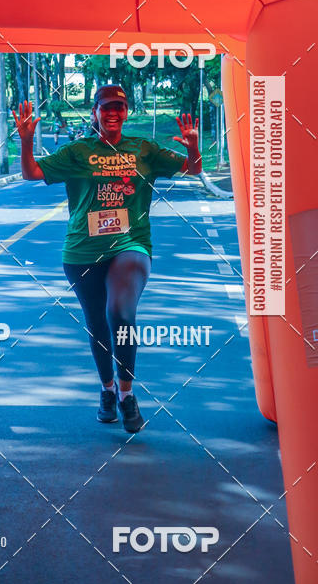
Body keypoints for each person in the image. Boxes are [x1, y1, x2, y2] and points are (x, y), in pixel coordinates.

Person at [12, 85, 202, 433]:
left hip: (131, 245)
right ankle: (107, 390)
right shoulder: (78, 151)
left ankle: (128, 394)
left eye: (120, 107)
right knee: (98, 325)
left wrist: (193, 147)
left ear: (126, 112)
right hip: (81, 251)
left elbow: (192, 169)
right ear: (95, 112)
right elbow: (31, 174)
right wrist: (26, 139)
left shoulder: (142, 149)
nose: (113, 113)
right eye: (106, 107)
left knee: (120, 314)